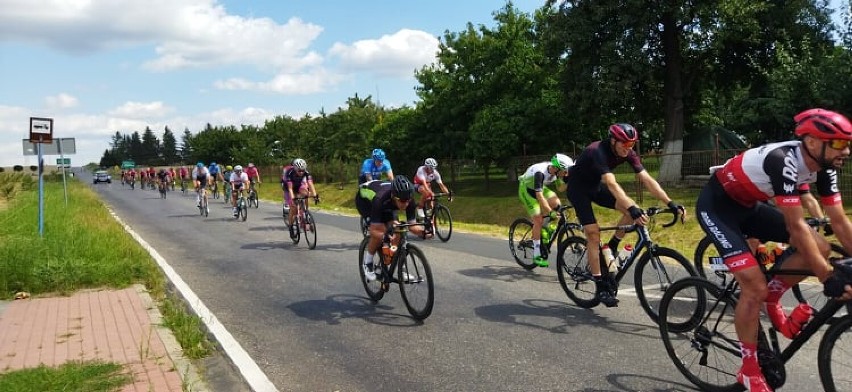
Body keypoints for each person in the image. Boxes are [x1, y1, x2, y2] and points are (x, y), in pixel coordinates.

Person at [696, 108, 852, 391]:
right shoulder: (783, 160)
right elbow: (795, 227)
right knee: (754, 287)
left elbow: (839, 220)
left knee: (820, 246)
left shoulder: (826, 165)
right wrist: (827, 276)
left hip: (749, 207)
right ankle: (748, 367)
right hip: (718, 208)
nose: (847, 150)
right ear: (814, 142)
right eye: (840, 143)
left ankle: (773, 297)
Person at [566, 123, 685, 307]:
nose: (628, 149)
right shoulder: (596, 151)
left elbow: (647, 179)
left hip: (596, 187)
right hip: (578, 189)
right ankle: (601, 286)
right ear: (613, 140)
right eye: (624, 144)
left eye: (632, 145)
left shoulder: (628, 152)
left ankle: (612, 245)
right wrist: (630, 207)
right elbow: (612, 184)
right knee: (593, 233)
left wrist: (670, 203)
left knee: (633, 210)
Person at [355, 175, 425, 281]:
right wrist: (385, 234)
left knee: (398, 228)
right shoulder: (380, 199)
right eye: (402, 201)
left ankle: (397, 264)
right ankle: (367, 263)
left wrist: (425, 232)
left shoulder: (407, 199)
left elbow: (412, 226)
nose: (406, 204)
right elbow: (374, 230)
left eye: (408, 200)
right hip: (366, 202)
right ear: (394, 196)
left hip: (386, 204)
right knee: (378, 235)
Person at [517, 154, 574, 267]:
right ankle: (537, 255)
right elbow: (539, 196)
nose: (566, 173)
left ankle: (545, 229)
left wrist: (569, 181)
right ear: (557, 168)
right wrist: (549, 211)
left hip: (539, 188)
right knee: (538, 219)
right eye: (565, 171)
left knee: (558, 205)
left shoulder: (556, 173)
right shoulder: (540, 173)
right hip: (526, 191)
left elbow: (560, 188)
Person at [284, 158, 319, 238]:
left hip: (299, 186)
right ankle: (291, 227)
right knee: (294, 209)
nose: (301, 172)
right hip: (288, 188)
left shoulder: (306, 172)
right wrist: (293, 198)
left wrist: (315, 195)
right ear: (295, 168)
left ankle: (305, 215)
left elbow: (310, 183)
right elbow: (290, 188)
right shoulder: (289, 173)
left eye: (303, 170)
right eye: (299, 170)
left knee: (306, 192)